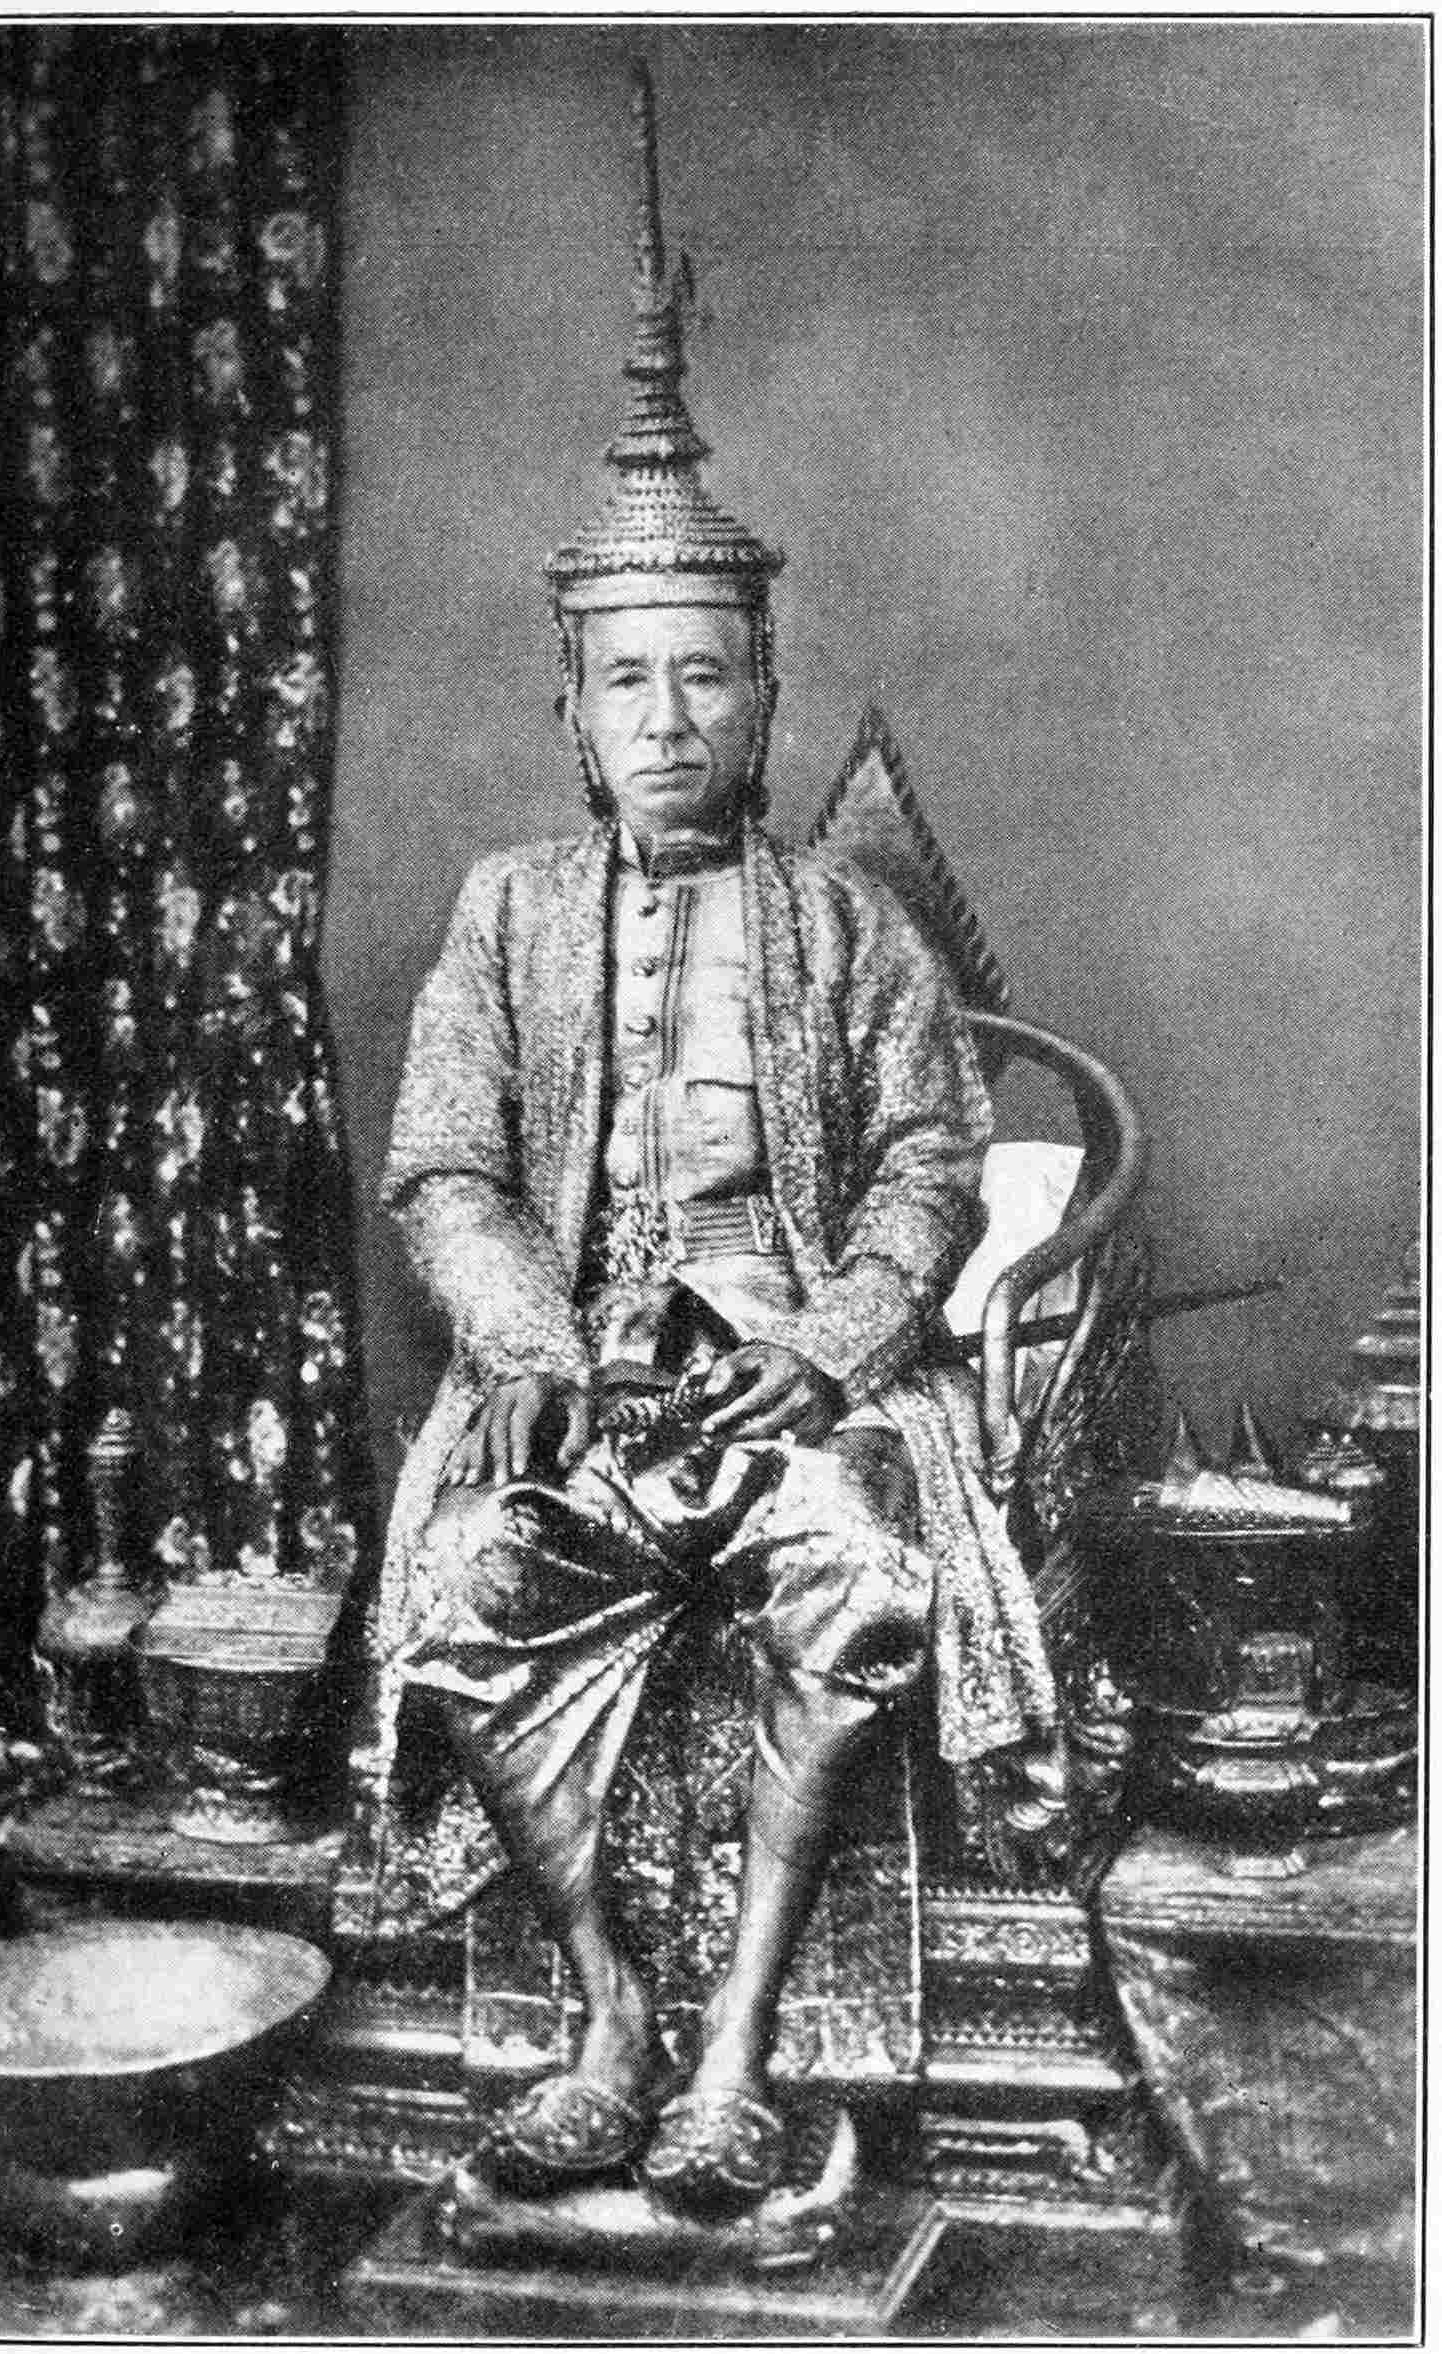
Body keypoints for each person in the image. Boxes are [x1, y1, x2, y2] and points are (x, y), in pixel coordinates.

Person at [372, 66, 1056, 2217]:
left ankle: (738, 2053)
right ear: (568, 709)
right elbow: (445, 1172)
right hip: (575, 1378)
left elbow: (932, 1172)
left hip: (794, 1386)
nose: (669, 719)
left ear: (764, 694)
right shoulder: (504, 912)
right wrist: (528, 1342)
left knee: (859, 1580)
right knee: (467, 1591)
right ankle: (607, 2018)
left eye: (707, 679)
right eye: (629, 682)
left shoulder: (849, 927)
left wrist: (834, 1350)